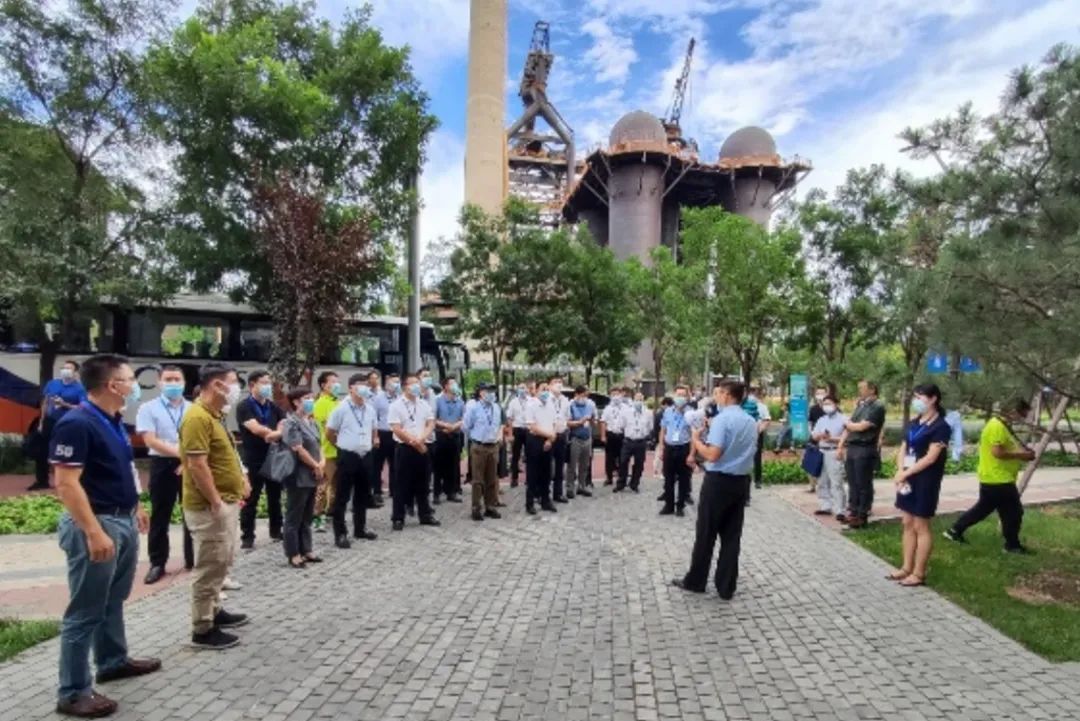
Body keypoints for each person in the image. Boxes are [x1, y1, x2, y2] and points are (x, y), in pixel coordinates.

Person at [49, 354, 160, 718]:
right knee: (85, 611)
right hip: (97, 524)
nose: (135, 385)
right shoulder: (77, 423)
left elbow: (123, 468)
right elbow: (66, 484)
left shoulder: (111, 420)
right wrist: (93, 532)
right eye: (130, 379)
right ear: (114, 385)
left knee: (113, 599)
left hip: (121, 519)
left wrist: (136, 505)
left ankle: (112, 661)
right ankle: (73, 692)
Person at [180, 363, 250, 650]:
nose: (237, 389)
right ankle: (203, 628)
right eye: (234, 382)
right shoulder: (197, 417)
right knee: (209, 566)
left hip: (225, 501)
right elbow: (197, 465)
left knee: (222, 560)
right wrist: (216, 501)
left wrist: (241, 479)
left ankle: (215, 611)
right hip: (209, 507)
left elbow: (226, 455)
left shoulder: (215, 415)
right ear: (217, 385)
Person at [672, 380, 758, 599]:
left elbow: (713, 455)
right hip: (740, 482)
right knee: (732, 535)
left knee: (706, 532)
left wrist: (696, 440)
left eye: (718, 393)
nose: (715, 397)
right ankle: (726, 585)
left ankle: (696, 580)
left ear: (727, 395)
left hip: (718, 481)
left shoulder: (722, 419)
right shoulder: (750, 421)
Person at [944, 398, 1035, 553]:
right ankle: (1012, 545)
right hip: (998, 478)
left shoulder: (1002, 425)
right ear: (1012, 411)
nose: (1022, 419)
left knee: (983, 509)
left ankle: (955, 530)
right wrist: (1021, 455)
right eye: (1022, 415)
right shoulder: (996, 426)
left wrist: (1022, 453)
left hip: (994, 477)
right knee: (1013, 512)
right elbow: (997, 452)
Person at [135, 365, 194, 584]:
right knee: (161, 514)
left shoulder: (193, 409)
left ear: (184, 382)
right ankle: (157, 563)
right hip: (162, 463)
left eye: (177, 379)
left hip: (190, 464)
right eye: (168, 380)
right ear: (159, 383)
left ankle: (192, 559)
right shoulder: (148, 408)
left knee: (192, 512)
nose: (173, 384)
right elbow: (150, 440)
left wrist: (187, 460)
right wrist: (181, 455)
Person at [888, 384, 951, 587]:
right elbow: (904, 448)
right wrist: (900, 471)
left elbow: (931, 458)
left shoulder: (941, 427)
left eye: (920, 397)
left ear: (933, 399)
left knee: (920, 525)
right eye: (915, 396)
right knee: (907, 522)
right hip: (908, 478)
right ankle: (906, 567)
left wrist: (906, 473)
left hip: (925, 480)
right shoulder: (914, 423)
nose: (916, 400)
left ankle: (919, 573)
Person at [326, 373, 379, 549]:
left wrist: (373, 439)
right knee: (342, 496)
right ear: (350, 388)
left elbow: (373, 429)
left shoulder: (370, 409)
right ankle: (340, 533)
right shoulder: (341, 408)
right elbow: (329, 432)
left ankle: (360, 528)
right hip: (348, 455)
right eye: (360, 384)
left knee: (363, 494)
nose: (364, 388)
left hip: (366, 454)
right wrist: (341, 446)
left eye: (366, 385)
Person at [235, 370, 285, 550]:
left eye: (268, 383)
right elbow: (255, 428)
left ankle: (276, 530)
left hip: (273, 457)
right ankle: (247, 536)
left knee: (275, 497)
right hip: (253, 458)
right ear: (252, 385)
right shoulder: (244, 406)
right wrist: (274, 434)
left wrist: (275, 434)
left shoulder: (273, 407)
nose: (267, 387)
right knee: (251, 498)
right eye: (263, 383)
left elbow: (283, 424)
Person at [280, 388, 326, 567]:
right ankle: (293, 553)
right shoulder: (291, 423)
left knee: (307, 514)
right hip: (298, 474)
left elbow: (319, 445)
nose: (310, 401)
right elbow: (298, 448)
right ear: (296, 402)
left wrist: (321, 463)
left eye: (311, 398)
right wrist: (315, 465)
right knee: (294, 515)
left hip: (314, 473)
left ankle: (306, 549)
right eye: (306, 398)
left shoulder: (312, 422)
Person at [388, 373, 440, 530]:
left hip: (423, 446)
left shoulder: (423, 404)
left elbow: (430, 423)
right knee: (401, 485)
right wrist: (414, 442)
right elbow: (396, 429)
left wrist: (421, 439)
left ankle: (425, 515)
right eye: (413, 383)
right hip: (405, 448)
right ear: (405, 387)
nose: (417, 386)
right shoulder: (396, 405)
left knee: (423, 483)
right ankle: (398, 517)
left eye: (418, 382)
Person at [837, 380, 886, 529]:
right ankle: (853, 511)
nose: (859, 390)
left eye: (862, 388)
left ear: (872, 389)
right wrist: (840, 445)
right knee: (852, 482)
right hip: (853, 447)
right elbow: (850, 426)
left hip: (865, 447)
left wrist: (848, 424)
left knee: (863, 482)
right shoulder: (861, 405)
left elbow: (862, 427)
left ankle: (862, 514)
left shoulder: (877, 406)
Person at [34, 359, 88, 491]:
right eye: (64, 368)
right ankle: (41, 481)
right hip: (50, 420)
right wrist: (41, 421)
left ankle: (71, 481)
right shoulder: (53, 384)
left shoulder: (80, 388)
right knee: (42, 450)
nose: (65, 371)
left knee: (67, 451)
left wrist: (65, 404)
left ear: (75, 372)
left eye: (69, 368)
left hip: (68, 423)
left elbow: (83, 408)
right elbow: (45, 402)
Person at [464, 383, 503, 521]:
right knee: (478, 480)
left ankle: (490, 507)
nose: (492, 394)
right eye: (489, 391)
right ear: (481, 393)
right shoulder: (473, 407)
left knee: (491, 479)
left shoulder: (496, 407)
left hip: (493, 446)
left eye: (493, 391)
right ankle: (476, 508)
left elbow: (498, 425)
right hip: (479, 446)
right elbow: (466, 426)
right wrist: (476, 438)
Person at [311, 371, 342, 533]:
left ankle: (331, 512)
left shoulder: (337, 402)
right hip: (327, 451)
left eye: (337, 381)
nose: (337, 385)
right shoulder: (321, 403)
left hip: (338, 450)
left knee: (336, 485)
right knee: (323, 486)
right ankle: (317, 517)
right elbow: (324, 428)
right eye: (333, 382)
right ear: (323, 385)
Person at [658, 385, 695, 516]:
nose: (680, 397)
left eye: (683, 395)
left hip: (683, 448)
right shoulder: (668, 411)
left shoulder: (691, 413)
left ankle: (680, 506)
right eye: (678, 394)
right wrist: (661, 447)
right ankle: (669, 505)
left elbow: (694, 435)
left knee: (684, 479)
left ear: (687, 397)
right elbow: (663, 430)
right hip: (669, 447)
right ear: (674, 395)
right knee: (668, 478)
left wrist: (692, 454)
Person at [810, 395, 848, 521]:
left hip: (834, 451)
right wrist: (819, 436)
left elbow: (846, 437)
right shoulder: (821, 420)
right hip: (821, 451)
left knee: (836, 481)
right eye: (824, 404)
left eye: (829, 403)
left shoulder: (844, 419)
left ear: (836, 404)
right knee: (822, 480)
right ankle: (825, 506)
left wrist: (831, 438)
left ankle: (840, 509)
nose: (826, 406)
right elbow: (814, 435)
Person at [524, 380, 558, 514]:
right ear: (536, 390)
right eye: (543, 389)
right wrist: (549, 435)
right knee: (533, 473)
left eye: (547, 389)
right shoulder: (531, 405)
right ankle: (530, 503)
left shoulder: (551, 404)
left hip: (549, 440)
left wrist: (550, 439)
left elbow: (554, 423)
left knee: (546, 472)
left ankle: (545, 500)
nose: (545, 392)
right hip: (535, 440)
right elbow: (532, 426)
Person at [433, 377, 465, 505]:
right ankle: (436, 493)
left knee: (453, 465)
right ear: (445, 386)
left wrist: (454, 426)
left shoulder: (460, 401)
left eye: (455, 383)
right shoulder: (438, 400)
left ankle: (451, 492)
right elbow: (433, 419)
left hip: (455, 435)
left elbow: (464, 418)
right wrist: (446, 425)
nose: (455, 385)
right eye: (452, 383)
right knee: (438, 466)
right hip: (441, 435)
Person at [616, 391, 653, 493]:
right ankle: (621, 483)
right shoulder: (626, 412)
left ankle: (634, 484)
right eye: (637, 399)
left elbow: (650, 427)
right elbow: (621, 425)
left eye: (640, 399)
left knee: (639, 464)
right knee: (623, 462)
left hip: (641, 441)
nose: (638, 401)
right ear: (633, 400)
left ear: (643, 400)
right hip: (628, 441)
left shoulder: (648, 413)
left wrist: (644, 434)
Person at [372, 372, 399, 504]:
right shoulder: (378, 398)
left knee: (395, 464)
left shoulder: (400, 398)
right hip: (382, 433)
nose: (396, 384)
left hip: (396, 434)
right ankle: (377, 491)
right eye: (394, 382)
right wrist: (375, 436)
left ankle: (394, 490)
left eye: (398, 382)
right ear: (387, 383)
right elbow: (374, 418)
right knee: (378, 465)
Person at [566, 385, 597, 499]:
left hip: (587, 437)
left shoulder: (590, 404)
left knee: (585, 464)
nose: (584, 398)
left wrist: (592, 420)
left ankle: (582, 485)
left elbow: (595, 422)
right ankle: (570, 487)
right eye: (582, 395)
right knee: (572, 464)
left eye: (586, 395)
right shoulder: (570, 405)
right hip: (575, 438)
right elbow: (567, 422)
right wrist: (579, 422)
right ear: (577, 394)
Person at [742, 385, 771, 492]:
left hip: (757, 434)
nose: (751, 396)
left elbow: (766, 420)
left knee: (757, 457)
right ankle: (745, 479)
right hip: (744, 435)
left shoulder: (761, 406)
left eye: (753, 393)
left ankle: (758, 480)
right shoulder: (742, 405)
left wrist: (759, 431)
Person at [506, 382, 532, 487]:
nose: (522, 390)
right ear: (518, 390)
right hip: (517, 429)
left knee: (530, 455)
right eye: (520, 388)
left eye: (524, 388)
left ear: (527, 389)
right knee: (515, 455)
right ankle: (514, 478)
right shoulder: (513, 402)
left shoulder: (531, 401)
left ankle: (529, 478)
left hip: (529, 430)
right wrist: (510, 434)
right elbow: (509, 418)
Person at [549, 376, 570, 503]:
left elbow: (567, 417)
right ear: (550, 385)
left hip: (561, 435)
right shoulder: (546, 399)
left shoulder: (565, 400)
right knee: (546, 466)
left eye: (560, 382)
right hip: (549, 435)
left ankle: (558, 493)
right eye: (555, 382)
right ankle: (544, 494)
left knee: (560, 466)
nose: (558, 384)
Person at [600, 387, 626, 487]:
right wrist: (603, 435)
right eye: (613, 394)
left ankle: (621, 478)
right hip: (611, 434)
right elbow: (603, 422)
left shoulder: (625, 408)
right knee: (609, 457)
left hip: (622, 435)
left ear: (621, 395)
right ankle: (609, 478)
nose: (615, 397)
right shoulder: (608, 408)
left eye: (617, 394)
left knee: (622, 457)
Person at [806, 386, 829, 494]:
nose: (820, 395)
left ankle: (824, 485)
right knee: (810, 461)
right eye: (818, 393)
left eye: (822, 393)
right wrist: (812, 433)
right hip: (814, 438)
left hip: (827, 439)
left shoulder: (830, 408)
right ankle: (812, 485)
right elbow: (810, 423)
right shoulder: (813, 409)